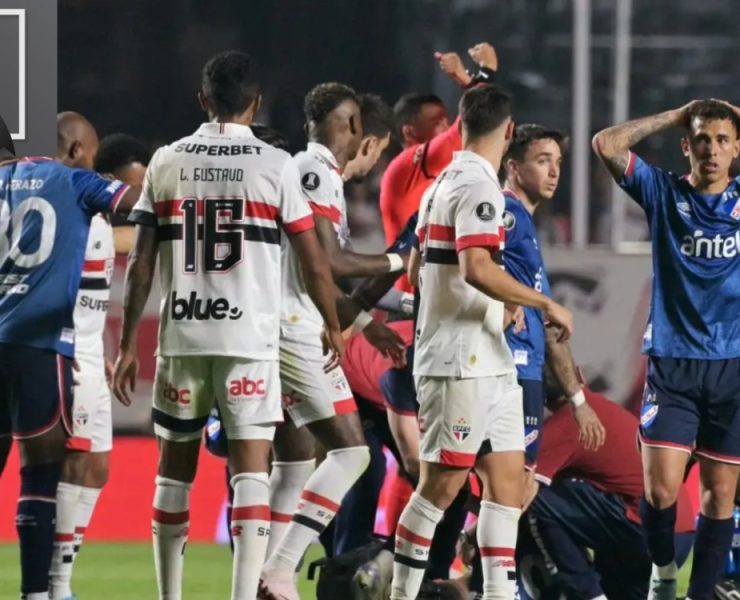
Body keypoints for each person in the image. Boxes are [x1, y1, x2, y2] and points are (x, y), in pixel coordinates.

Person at [111, 50, 342, 600]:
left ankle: (170, 595)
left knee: (173, 473)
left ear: (202, 100)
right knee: (250, 473)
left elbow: (142, 261)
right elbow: (311, 257)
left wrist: (125, 345)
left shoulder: (167, 160)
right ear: (256, 103)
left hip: (183, 337)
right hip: (248, 341)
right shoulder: (274, 164)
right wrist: (331, 322)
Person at [391, 85, 573, 600]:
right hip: (457, 364)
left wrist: (502, 303)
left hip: (488, 360)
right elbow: (476, 268)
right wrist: (542, 303)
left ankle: (497, 594)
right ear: (509, 131)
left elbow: (415, 269)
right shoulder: (479, 189)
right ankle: (400, 593)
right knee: (441, 487)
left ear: (463, 125)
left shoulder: (439, 185)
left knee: (507, 485)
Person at [260, 84, 407, 600]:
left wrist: (367, 322)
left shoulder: (306, 169)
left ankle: (265, 575)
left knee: (294, 459)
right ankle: (278, 570)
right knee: (352, 452)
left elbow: (317, 274)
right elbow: (331, 265)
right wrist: (399, 262)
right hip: (296, 329)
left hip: (276, 324)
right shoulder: (317, 171)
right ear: (355, 131)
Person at [593, 99, 740, 600]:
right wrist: (675, 114)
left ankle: (698, 595)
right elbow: (606, 144)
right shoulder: (662, 193)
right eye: (702, 139)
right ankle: (661, 570)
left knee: (720, 495)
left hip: (732, 366)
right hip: (673, 364)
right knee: (660, 492)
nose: (712, 150)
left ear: (736, 148)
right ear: (687, 146)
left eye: (723, 140)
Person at [0, 111, 140, 600]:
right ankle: (46, 589)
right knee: (50, 466)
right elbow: (136, 203)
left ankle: (53, 585)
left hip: (41, 338)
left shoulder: (12, 182)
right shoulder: (76, 187)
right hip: (47, 346)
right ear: (79, 152)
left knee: (82, 466)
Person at [49, 129, 151, 600]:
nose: (133, 202)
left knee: (97, 468)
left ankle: (56, 580)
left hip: (91, 354)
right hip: (63, 355)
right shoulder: (75, 213)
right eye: (132, 188)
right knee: (79, 462)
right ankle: (56, 584)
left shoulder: (103, 224)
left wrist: (110, 354)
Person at [514, 372, 696, 600]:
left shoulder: (563, 425)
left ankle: (588, 594)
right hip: (678, 537)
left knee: (538, 501)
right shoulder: (599, 406)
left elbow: (516, 498)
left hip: (643, 532)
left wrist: (471, 537)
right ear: (578, 375)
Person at [501, 124, 605, 469]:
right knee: (510, 486)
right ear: (514, 167)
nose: (555, 171)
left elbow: (549, 330)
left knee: (506, 487)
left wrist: (578, 400)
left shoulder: (526, 224)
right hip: (508, 370)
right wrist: (501, 302)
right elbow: (469, 265)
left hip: (526, 369)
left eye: (558, 161)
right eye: (543, 160)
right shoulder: (506, 215)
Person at [379, 42, 498, 247]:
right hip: (414, 280)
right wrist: (486, 70)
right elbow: (473, 122)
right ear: (409, 131)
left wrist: (467, 81)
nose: (447, 127)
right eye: (437, 122)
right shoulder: (408, 164)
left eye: (446, 120)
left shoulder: (439, 171)